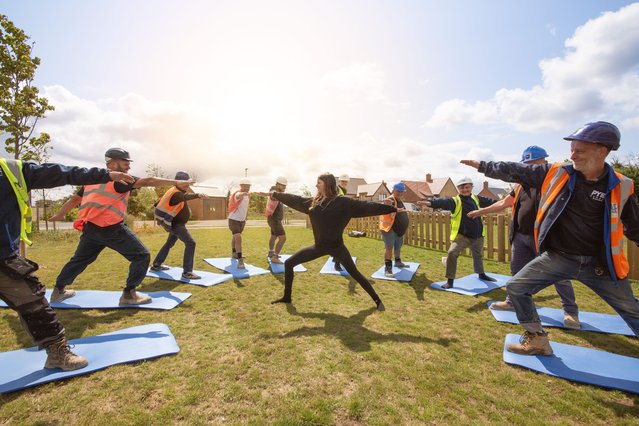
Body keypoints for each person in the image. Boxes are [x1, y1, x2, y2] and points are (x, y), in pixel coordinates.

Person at [461, 121, 639, 356]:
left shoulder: (622, 185)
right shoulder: (557, 173)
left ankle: (570, 312)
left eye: (579, 150)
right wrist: (485, 166)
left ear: (602, 151)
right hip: (560, 257)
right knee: (516, 287)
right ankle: (537, 339)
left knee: (631, 310)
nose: (572, 155)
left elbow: (634, 227)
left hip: (599, 264)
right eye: (571, 149)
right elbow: (518, 170)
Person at [0, 157, 133, 370]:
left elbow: (63, 173)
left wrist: (105, 175)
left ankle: (56, 352)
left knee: (33, 301)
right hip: (96, 229)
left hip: (3, 258)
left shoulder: (9, 170)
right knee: (35, 300)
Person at [50, 148, 194, 305]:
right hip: (111, 229)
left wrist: (60, 214)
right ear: (112, 163)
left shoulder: (93, 180)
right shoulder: (120, 180)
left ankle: (58, 291)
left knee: (79, 260)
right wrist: (176, 183)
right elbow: (148, 181)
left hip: (91, 229)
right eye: (125, 163)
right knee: (141, 256)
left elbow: (75, 199)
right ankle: (129, 295)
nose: (128, 166)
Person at [468, 146, 580, 329]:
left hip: (547, 239)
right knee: (517, 271)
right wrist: (481, 211)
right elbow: (505, 202)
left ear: (544, 162)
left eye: (533, 163)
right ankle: (512, 301)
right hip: (521, 236)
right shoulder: (520, 184)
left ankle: (570, 312)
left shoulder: (556, 181)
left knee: (559, 275)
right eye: (527, 164)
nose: (530, 168)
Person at [268, 173, 399, 311]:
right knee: (289, 263)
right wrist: (276, 194)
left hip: (337, 247)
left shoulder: (343, 203)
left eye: (319, 182)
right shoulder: (314, 203)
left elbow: (366, 206)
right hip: (319, 247)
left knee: (355, 273)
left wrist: (391, 208)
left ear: (327, 184)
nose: (316, 185)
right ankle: (287, 297)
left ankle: (377, 301)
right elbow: (295, 199)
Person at [421, 177, 497, 288]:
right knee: (452, 253)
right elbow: (443, 202)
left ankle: (481, 274)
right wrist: (430, 203)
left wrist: (506, 202)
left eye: (467, 187)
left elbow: (491, 202)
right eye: (462, 188)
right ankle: (450, 281)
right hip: (462, 236)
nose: (465, 190)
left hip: (478, 235)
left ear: (471, 187)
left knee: (478, 255)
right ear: (458, 189)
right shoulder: (455, 201)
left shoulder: (476, 198)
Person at [151, 171, 207, 280]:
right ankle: (187, 272)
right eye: (185, 183)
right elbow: (184, 196)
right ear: (178, 182)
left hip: (173, 224)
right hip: (176, 225)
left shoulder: (175, 191)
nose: (188, 185)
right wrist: (198, 195)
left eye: (188, 183)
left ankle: (156, 265)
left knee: (169, 243)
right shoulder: (177, 193)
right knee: (191, 243)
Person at [379, 182, 410, 277]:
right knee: (389, 248)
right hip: (389, 229)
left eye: (402, 191)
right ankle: (388, 270)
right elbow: (386, 202)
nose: (400, 193)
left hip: (398, 230)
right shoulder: (391, 199)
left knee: (398, 246)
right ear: (393, 190)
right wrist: (386, 202)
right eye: (398, 191)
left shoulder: (399, 200)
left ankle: (397, 261)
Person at [228, 178, 251, 269]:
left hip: (242, 220)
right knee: (238, 238)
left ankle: (234, 253)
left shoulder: (247, 196)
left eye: (248, 186)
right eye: (245, 186)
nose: (247, 188)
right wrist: (243, 193)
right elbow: (238, 195)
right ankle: (240, 260)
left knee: (235, 237)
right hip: (233, 220)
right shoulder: (237, 193)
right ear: (241, 186)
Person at [265, 176, 288, 265]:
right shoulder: (275, 191)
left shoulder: (279, 194)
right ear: (277, 184)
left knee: (273, 236)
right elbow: (272, 193)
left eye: (285, 186)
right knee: (282, 238)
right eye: (283, 186)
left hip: (273, 219)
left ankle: (271, 252)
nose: (284, 188)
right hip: (274, 220)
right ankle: (275, 257)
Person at [332, 173, 350, 271]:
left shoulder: (343, 190)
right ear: (339, 181)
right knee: (338, 242)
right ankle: (337, 262)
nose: (344, 183)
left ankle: (336, 260)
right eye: (342, 181)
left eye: (346, 181)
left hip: (339, 219)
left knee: (336, 241)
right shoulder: (336, 190)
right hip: (335, 219)